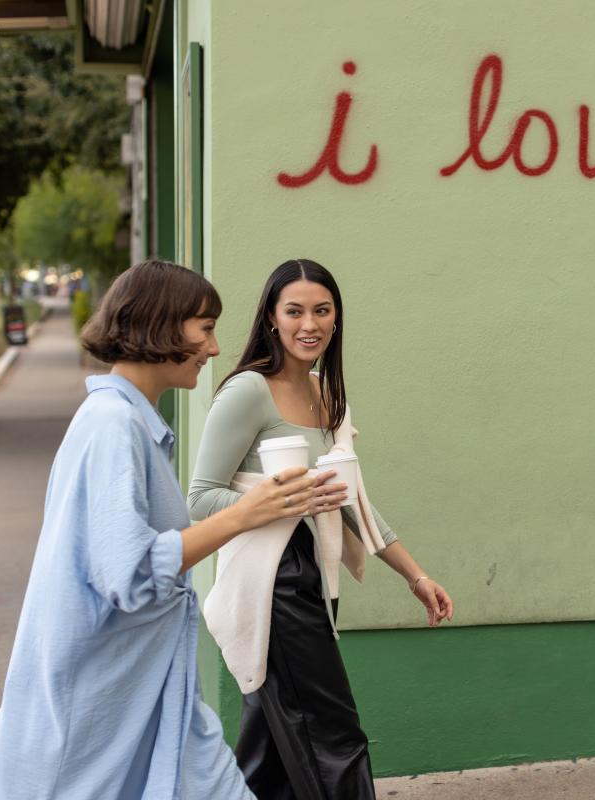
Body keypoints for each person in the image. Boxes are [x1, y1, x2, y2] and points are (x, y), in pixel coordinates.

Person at [0, 259, 327, 799]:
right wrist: (245, 514)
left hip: (155, 697)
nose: (214, 349)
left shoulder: (130, 424)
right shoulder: (112, 427)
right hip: (99, 707)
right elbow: (131, 571)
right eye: (205, 329)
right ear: (160, 326)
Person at [188, 258, 453, 799]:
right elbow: (199, 499)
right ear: (271, 318)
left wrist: (414, 575)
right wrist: (282, 500)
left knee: (273, 752)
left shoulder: (327, 395)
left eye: (322, 311)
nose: (309, 324)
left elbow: (352, 501)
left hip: (315, 576)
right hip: (274, 584)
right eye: (295, 311)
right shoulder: (247, 391)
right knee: (331, 735)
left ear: (336, 319)